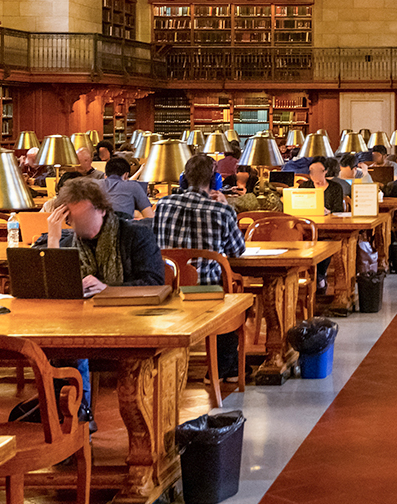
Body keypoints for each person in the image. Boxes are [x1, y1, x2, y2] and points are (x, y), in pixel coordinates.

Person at [43, 177, 166, 424]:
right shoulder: (69, 243)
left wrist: (107, 289)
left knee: (69, 346)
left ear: (101, 209)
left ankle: (77, 416)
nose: (77, 224)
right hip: (82, 326)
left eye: (82, 216)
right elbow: (52, 292)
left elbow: (154, 283)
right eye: (71, 219)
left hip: (130, 324)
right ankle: (75, 421)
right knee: (60, 344)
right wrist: (53, 240)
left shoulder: (135, 236)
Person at [155, 154, 247, 380]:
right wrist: (228, 208)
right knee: (230, 293)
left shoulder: (162, 205)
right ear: (216, 181)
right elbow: (237, 250)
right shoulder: (221, 211)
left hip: (168, 286)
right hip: (206, 290)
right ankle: (224, 368)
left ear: (183, 179)